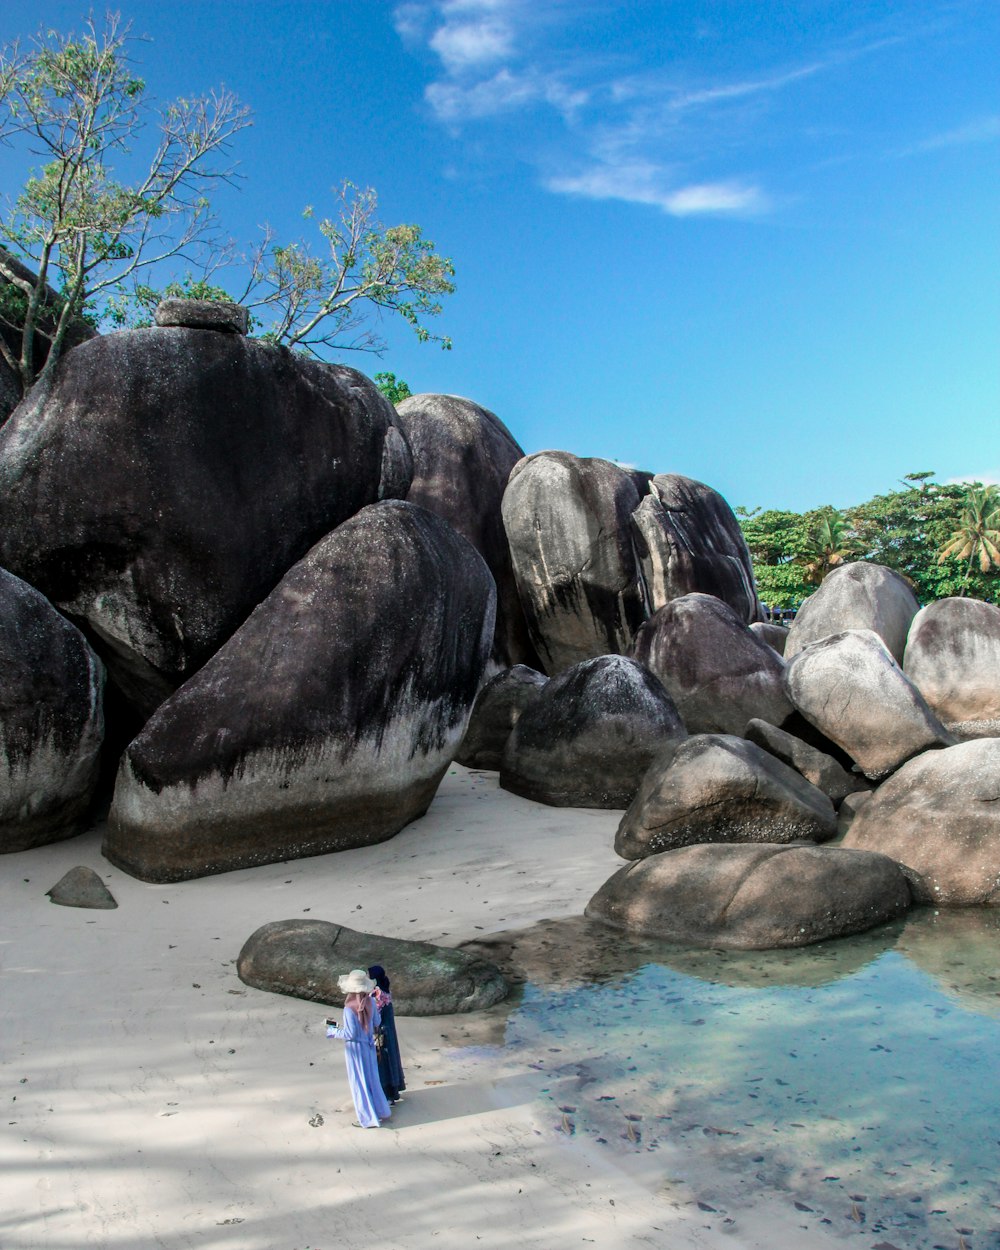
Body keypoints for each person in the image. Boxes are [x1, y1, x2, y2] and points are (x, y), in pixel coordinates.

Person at [324, 969, 391, 1128]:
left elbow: (350, 1033)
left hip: (355, 1049)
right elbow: (376, 1022)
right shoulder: (371, 1002)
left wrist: (333, 1031)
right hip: (369, 1045)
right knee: (372, 1079)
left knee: (359, 1083)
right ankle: (381, 1111)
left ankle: (367, 1118)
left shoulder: (349, 1009)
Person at [368, 964, 406, 1104]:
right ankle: (393, 1091)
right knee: (390, 1058)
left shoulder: (377, 993)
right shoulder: (385, 990)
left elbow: (375, 1017)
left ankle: (386, 1095)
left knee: (381, 1062)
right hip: (389, 1032)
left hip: (379, 1033)